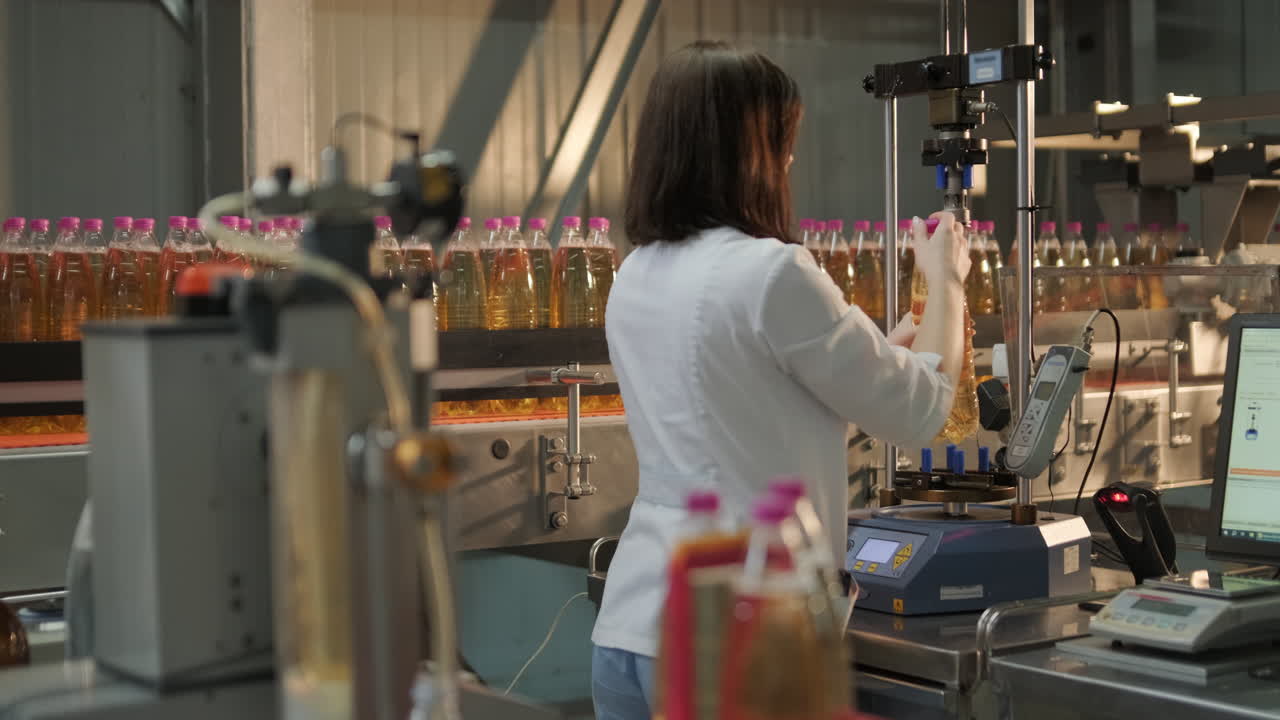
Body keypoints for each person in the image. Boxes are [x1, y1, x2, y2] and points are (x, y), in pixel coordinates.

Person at [590, 41, 969, 719]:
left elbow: (747, 398)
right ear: (750, 151)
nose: (789, 159)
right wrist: (948, 281)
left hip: (633, 628)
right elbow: (922, 412)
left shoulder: (635, 274)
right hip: (740, 633)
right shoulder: (774, 272)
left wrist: (879, 353)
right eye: (782, 140)